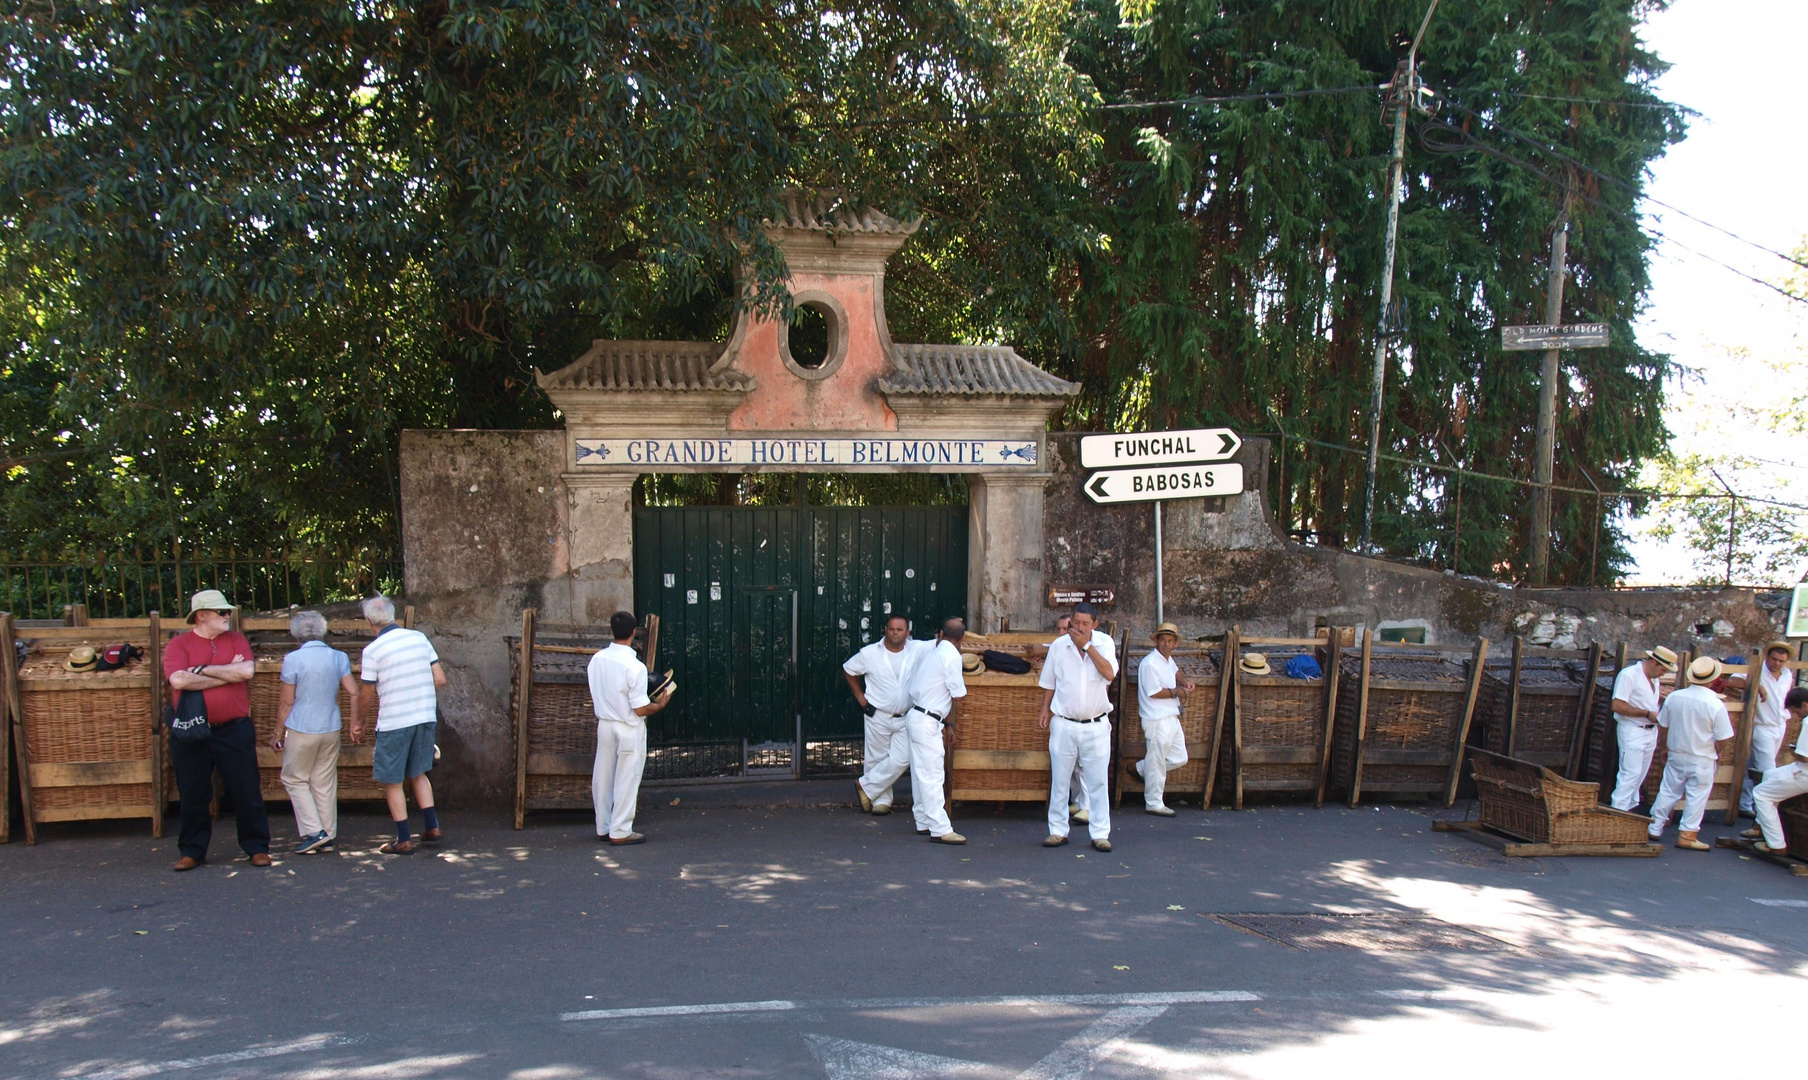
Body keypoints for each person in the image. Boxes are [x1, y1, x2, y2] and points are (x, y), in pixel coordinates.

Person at [163, 589, 270, 871]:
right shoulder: (178, 644)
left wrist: (199, 670)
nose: (227, 616)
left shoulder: (236, 639)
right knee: (193, 793)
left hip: (234, 728)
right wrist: (224, 673)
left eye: (227, 611)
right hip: (191, 730)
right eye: (221, 612)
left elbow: (246, 672)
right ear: (201, 616)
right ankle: (192, 850)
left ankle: (257, 847)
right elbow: (179, 680)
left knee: (246, 790)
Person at [353, 595, 444, 855]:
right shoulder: (419, 638)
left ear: (370, 622)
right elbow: (439, 678)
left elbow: (367, 693)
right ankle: (432, 825)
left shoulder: (372, 651)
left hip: (395, 721)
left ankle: (403, 838)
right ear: (394, 615)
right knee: (419, 772)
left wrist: (359, 722)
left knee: (392, 780)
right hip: (425, 716)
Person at [865, 616, 967, 844]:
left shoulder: (935, 654)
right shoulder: (951, 656)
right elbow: (958, 693)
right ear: (963, 637)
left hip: (917, 714)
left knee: (922, 774)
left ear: (941, 634)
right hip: (928, 719)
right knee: (932, 774)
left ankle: (923, 820)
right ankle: (940, 827)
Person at [271, 610, 359, 854]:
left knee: (294, 778)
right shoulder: (338, 657)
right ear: (323, 631)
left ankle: (314, 831)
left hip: (302, 726)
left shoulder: (293, 659)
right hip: (331, 726)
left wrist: (277, 733)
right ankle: (327, 834)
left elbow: (286, 702)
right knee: (324, 780)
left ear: (295, 634)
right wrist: (354, 723)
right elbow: (353, 691)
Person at [588, 610, 675, 845]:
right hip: (628, 727)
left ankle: (603, 826)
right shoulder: (635, 667)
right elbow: (640, 709)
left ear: (611, 631)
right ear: (634, 633)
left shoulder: (596, 660)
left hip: (605, 724)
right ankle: (621, 830)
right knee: (627, 778)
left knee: (603, 777)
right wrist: (660, 705)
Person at [1038, 602, 1118, 851]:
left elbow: (1109, 674)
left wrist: (1088, 647)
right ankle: (1058, 830)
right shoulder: (1059, 646)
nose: (1079, 628)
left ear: (1095, 625)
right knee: (1060, 780)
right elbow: (1049, 682)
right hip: (1064, 722)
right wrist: (1045, 710)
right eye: (1076, 623)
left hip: (1096, 723)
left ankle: (1100, 833)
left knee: (1098, 781)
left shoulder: (1105, 643)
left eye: (1085, 624)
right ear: (1071, 621)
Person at [1647, 655, 1735, 851]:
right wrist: (1717, 752)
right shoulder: (1715, 705)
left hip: (1677, 752)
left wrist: (1664, 747)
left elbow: (1663, 725)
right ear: (1713, 680)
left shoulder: (1674, 697)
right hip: (1702, 756)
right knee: (1697, 795)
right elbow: (1723, 738)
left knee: (1668, 790)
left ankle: (1654, 826)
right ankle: (1687, 834)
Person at [849, 615, 924, 816]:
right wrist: (860, 697)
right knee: (876, 758)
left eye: (900, 629)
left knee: (903, 758)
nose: (895, 633)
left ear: (908, 632)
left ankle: (865, 785)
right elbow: (849, 670)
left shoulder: (917, 649)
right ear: (886, 630)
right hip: (878, 714)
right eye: (891, 629)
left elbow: (941, 645)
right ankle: (880, 801)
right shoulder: (870, 653)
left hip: (904, 716)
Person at [1133, 622, 1194, 816]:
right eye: (1163, 640)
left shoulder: (1167, 660)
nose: (1166, 644)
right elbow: (1154, 692)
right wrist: (1179, 691)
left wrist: (1185, 682)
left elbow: (1176, 672)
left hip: (1170, 715)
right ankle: (1153, 802)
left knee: (1179, 757)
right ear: (1157, 641)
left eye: (1170, 641)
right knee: (1157, 761)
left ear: (1174, 643)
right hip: (1156, 718)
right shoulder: (1150, 663)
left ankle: (1141, 767)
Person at [1609, 645, 1677, 812]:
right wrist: (1646, 714)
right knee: (1629, 775)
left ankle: (1628, 812)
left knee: (1639, 776)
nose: (1663, 673)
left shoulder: (1654, 679)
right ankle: (1618, 812)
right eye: (1663, 669)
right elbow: (1617, 705)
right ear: (1654, 662)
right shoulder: (1629, 675)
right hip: (1632, 729)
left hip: (1649, 731)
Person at [1747, 687, 1808, 856]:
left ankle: (1776, 844)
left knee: (1760, 794)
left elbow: (1804, 757)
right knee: (1769, 774)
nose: (1796, 716)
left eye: (1796, 711)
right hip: (1802, 770)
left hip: (1805, 773)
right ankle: (1761, 826)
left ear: (1804, 705)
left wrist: (1793, 752)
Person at [1741, 640, 1796, 817]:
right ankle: (1765, 811)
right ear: (1767, 656)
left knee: (1753, 766)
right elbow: (1733, 680)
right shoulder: (1757, 671)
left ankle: (1744, 803)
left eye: (1781, 661)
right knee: (1768, 770)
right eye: (1774, 659)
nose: (1777, 663)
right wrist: (1758, 686)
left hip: (1780, 725)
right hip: (1762, 725)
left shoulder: (1787, 675)